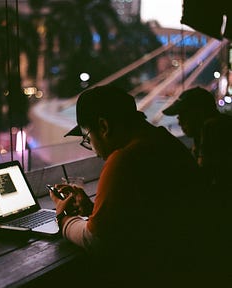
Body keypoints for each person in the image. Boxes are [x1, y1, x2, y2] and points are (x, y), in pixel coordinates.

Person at [49, 84, 225, 287]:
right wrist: (94, 211)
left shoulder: (124, 159)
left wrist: (63, 218)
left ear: (104, 127)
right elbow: (144, 214)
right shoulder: (166, 143)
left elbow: (96, 241)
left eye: (88, 138)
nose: (95, 152)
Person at [162, 86, 232, 193]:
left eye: (183, 115)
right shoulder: (204, 133)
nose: (180, 123)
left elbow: (204, 178)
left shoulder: (213, 129)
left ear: (198, 112)